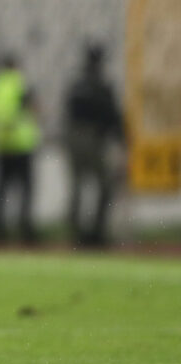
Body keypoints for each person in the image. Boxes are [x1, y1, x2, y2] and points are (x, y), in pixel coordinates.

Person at [62, 43, 125, 247]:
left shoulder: (77, 86)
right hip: (93, 139)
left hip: (74, 137)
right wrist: (121, 137)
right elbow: (112, 115)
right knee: (104, 185)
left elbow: (70, 112)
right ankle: (97, 232)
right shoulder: (102, 86)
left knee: (77, 187)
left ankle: (77, 234)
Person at [0, 52, 41, 245]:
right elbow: (32, 108)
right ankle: (26, 231)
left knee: (0, 189)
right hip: (21, 143)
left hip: (0, 143)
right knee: (26, 190)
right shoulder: (20, 83)